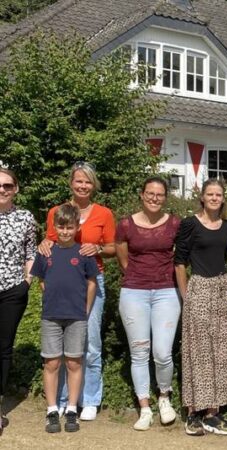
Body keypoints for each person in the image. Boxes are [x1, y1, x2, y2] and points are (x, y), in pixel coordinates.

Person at [38, 161, 115, 420]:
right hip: (62, 283)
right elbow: (49, 241)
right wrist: (43, 244)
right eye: (78, 181)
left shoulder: (103, 213)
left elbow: (114, 248)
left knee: (90, 343)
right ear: (71, 183)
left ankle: (90, 399)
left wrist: (99, 249)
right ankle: (62, 400)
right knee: (59, 349)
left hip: (92, 281)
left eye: (88, 181)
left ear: (94, 185)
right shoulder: (57, 212)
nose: (83, 186)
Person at [175, 179, 227, 436]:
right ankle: (194, 412)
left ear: (223, 198)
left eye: (218, 194)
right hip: (199, 288)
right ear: (202, 197)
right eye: (210, 194)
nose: (214, 198)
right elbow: (179, 262)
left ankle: (213, 412)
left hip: (223, 288)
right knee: (199, 348)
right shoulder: (189, 224)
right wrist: (186, 295)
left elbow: (224, 256)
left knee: (224, 348)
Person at [115, 177, 181, 431]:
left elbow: (181, 253)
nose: (154, 198)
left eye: (160, 194)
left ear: (165, 197)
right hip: (134, 292)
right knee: (139, 352)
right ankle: (144, 407)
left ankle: (164, 397)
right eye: (150, 193)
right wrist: (129, 271)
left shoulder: (175, 223)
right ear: (142, 195)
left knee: (163, 353)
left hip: (166, 291)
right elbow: (121, 247)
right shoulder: (126, 224)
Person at [32, 204, 99, 434]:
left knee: (74, 362)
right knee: (51, 362)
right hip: (51, 316)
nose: (65, 231)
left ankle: (71, 409)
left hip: (76, 317)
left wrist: (85, 309)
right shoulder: (45, 252)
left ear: (76, 227)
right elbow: (41, 281)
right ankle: (52, 409)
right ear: (54, 226)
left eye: (70, 227)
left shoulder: (84, 253)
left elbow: (92, 283)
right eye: (61, 227)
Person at [0, 167, 37, 435]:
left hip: (12, 290)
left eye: (8, 186)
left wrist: (27, 282)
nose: (2, 190)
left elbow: (30, 251)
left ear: (16, 189)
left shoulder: (25, 218)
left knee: (3, 349)